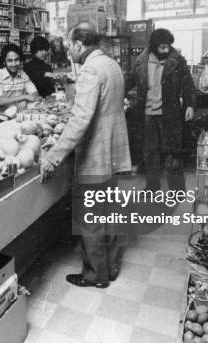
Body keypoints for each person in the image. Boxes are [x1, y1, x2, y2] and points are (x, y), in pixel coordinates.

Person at [41, 23, 131, 288]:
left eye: (69, 45)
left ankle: (94, 275)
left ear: (79, 44)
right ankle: (111, 268)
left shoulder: (90, 69)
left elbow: (81, 118)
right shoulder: (111, 64)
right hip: (116, 152)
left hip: (96, 155)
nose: (68, 50)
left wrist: (54, 156)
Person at [128, 28, 196, 193]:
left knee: (173, 153)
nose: (166, 50)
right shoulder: (141, 62)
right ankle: (152, 187)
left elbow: (188, 85)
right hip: (147, 113)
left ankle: (177, 190)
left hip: (170, 114)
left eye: (168, 46)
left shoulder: (177, 61)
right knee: (150, 152)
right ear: (153, 46)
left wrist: (190, 105)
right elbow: (131, 81)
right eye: (162, 47)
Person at [0, 43, 40, 114]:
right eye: (10, 60)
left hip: (14, 116)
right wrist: (24, 97)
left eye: (16, 60)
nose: (14, 64)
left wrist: (24, 101)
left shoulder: (23, 74)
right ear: (4, 62)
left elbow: (35, 94)